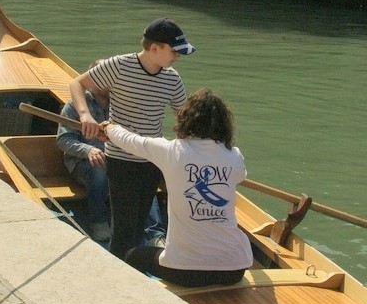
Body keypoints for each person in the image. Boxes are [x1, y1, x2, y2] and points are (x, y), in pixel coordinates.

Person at [69, 17, 193, 258]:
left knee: (138, 226)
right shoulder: (119, 66)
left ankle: (132, 266)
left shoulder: (172, 78)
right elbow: (77, 83)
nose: (177, 57)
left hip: (152, 162)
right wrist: (85, 116)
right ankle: (121, 270)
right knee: (125, 229)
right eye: (174, 51)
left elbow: (186, 117)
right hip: (120, 159)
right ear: (155, 48)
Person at [104, 89, 252, 287]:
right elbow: (240, 177)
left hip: (186, 272)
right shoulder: (234, 155)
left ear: (186, 119)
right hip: (234, 270)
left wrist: (108, 128)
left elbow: (131, 141)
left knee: (132, 255)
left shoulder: (172, 150)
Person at [55, 75, 113, 243]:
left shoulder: (119, 104)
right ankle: (99, 222)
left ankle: (153, 231)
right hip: (82, 163)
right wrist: (88, 150)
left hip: (113, 160)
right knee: (97, 167)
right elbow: (63, 140)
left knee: (143, 169)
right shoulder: (74, 105)